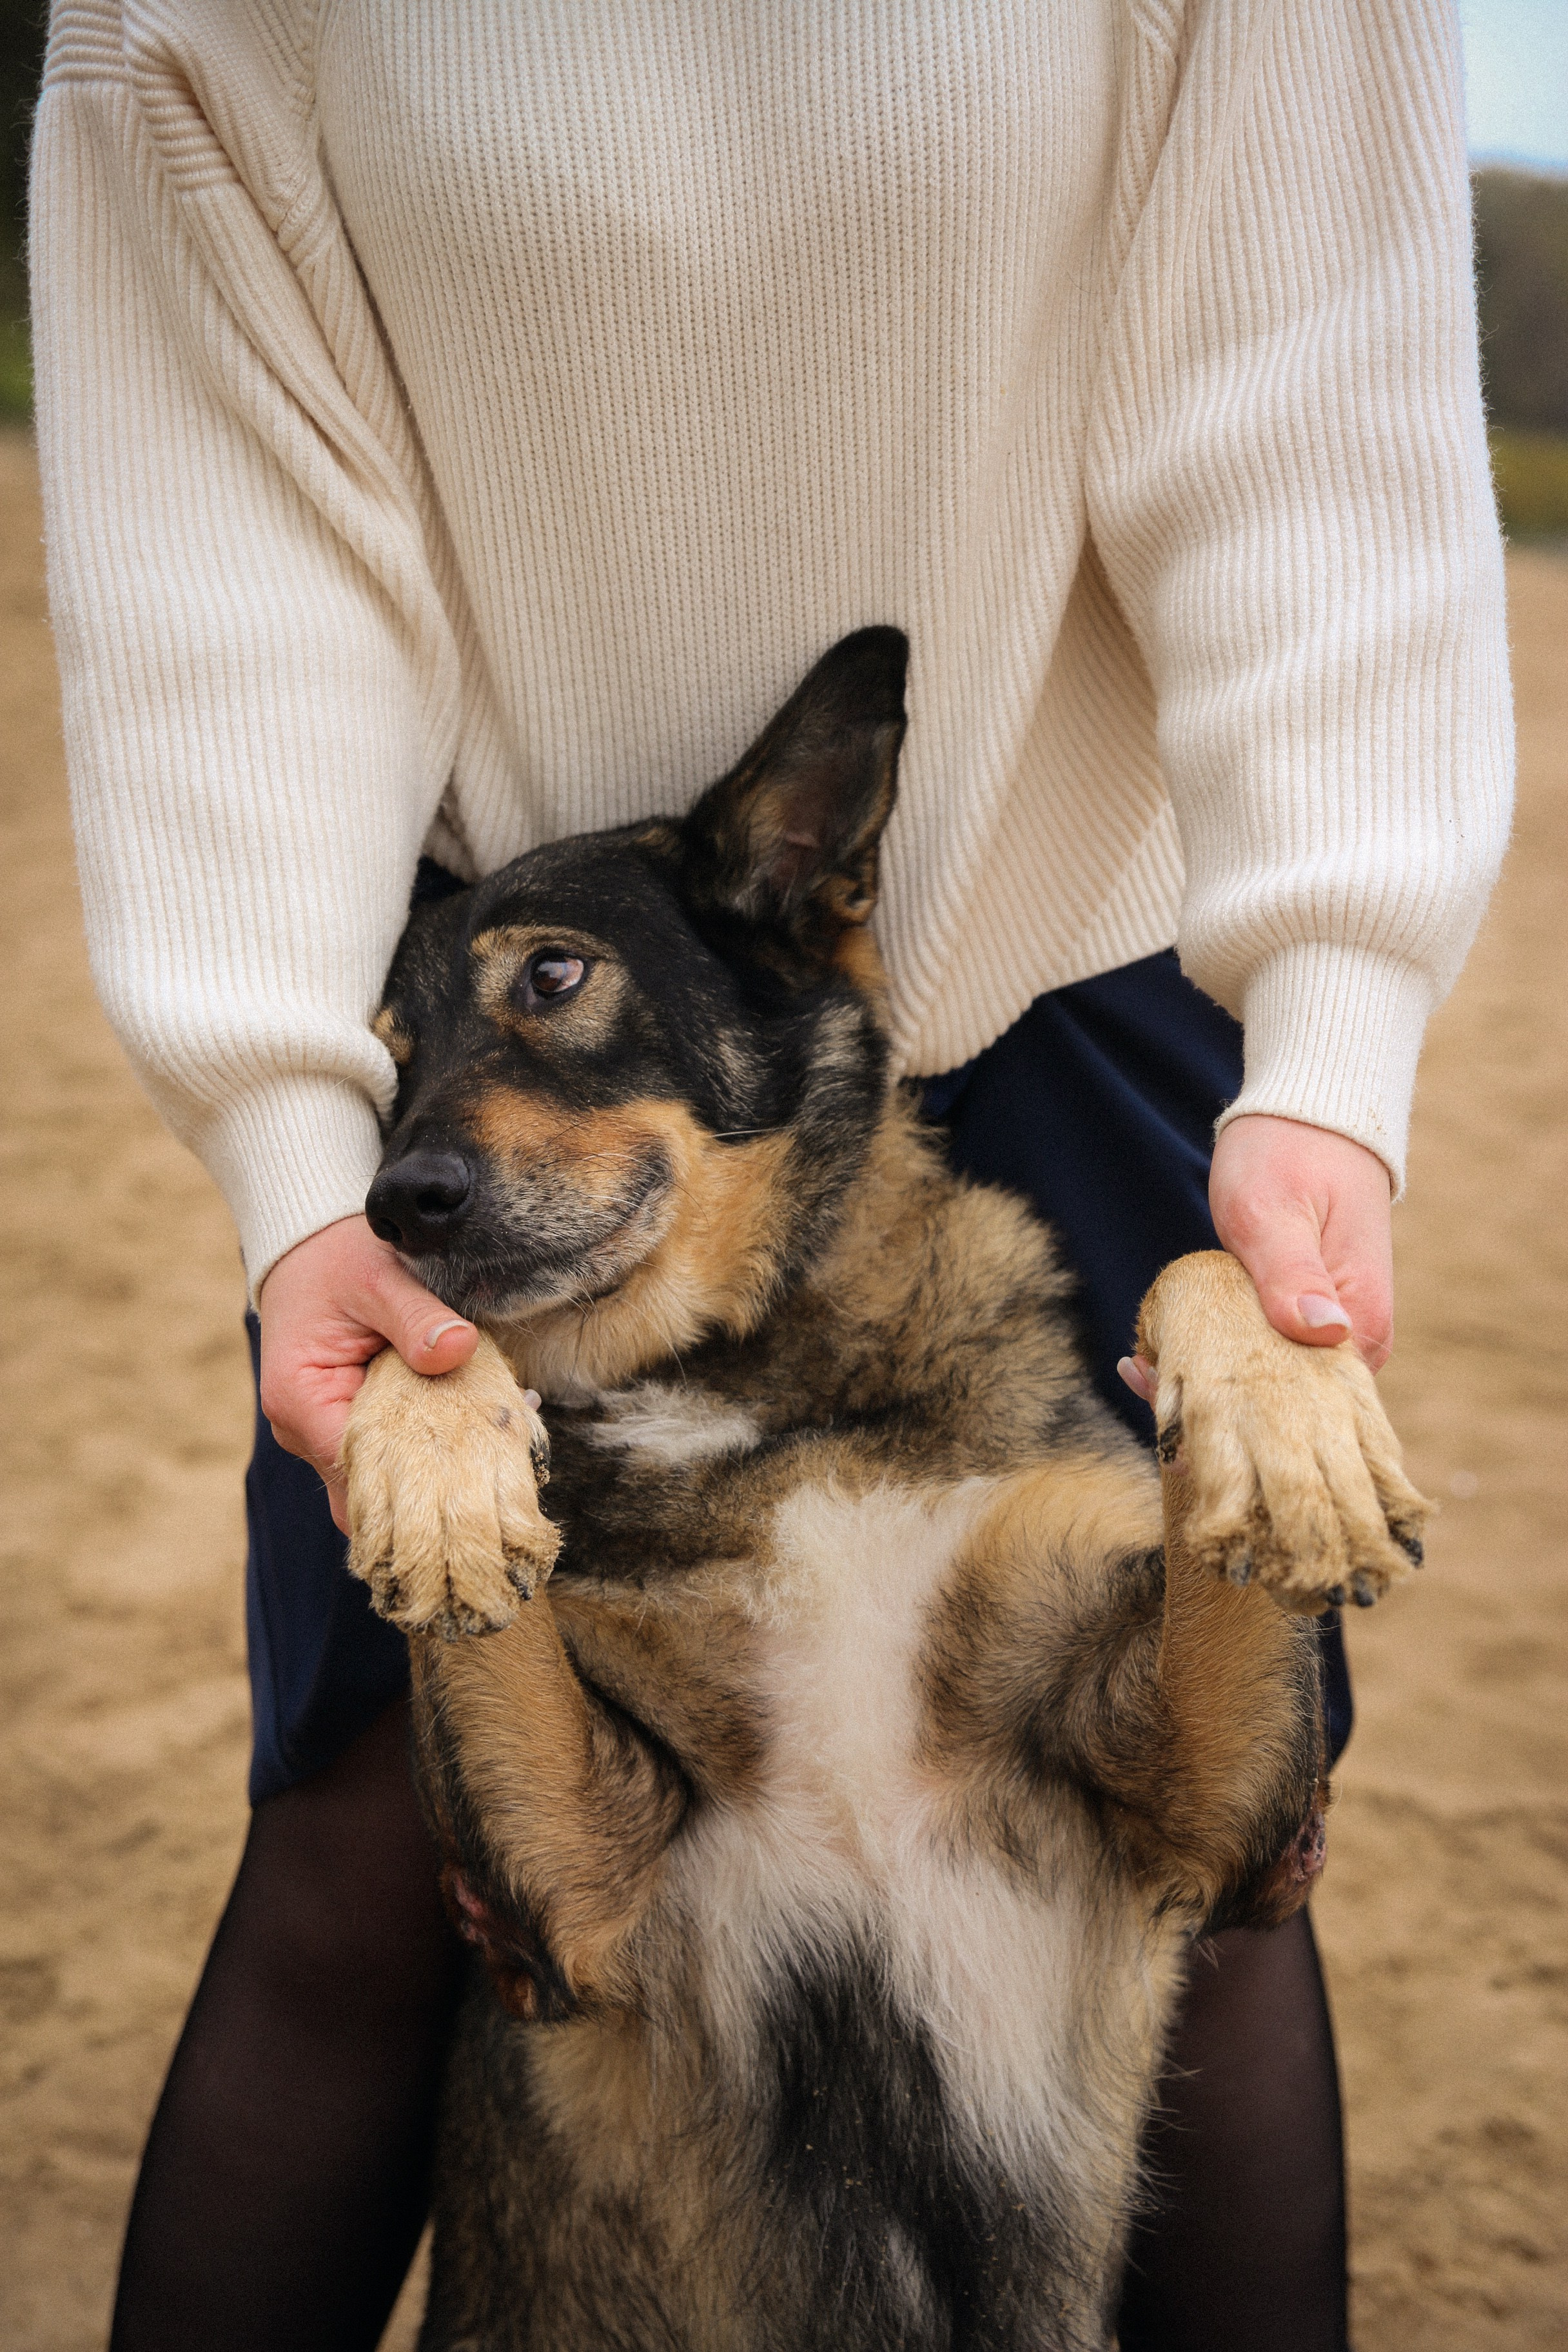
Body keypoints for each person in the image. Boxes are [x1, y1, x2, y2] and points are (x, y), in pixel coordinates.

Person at [30, 3, 1511, 2347]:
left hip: (1077, 936)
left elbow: (1312, 394)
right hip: (485, 1016)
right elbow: (230, 548)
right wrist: (289, 1137)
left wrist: (1325, 1034)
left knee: (1217, 1868)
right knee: (359, 1846)